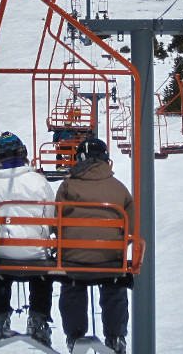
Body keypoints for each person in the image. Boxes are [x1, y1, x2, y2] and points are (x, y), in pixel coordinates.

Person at [56, 137, 134, 354]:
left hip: (74, 258)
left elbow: (56, 223)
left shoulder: (68, 186)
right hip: (110, 258)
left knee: (72, 281)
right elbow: (132, 229)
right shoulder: (119, 189)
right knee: (114, 282)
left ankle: (75, 335)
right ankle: (116, 336)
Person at [0, 131, 55, 346]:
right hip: (36, 253)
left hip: (3, 253)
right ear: (23, 153)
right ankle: (38, 318)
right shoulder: (38, 181)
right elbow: (51, 218)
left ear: (1, 157)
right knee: (42, 270)